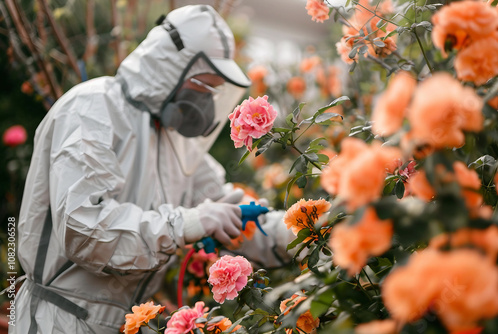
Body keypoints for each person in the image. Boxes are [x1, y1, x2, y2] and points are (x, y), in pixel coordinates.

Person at [11, 5, 293, 334]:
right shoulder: (92, 109)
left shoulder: (178, 143)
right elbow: (85, 230)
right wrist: (191, 221)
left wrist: (314, 229)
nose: (204, 101)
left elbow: (228, 210)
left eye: (212, 90)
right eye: (202, 85)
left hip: (129, 324)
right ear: (170, 66)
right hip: (60, 320)